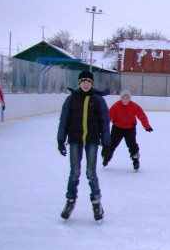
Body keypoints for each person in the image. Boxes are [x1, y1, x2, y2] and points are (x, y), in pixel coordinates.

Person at [57, 71, 111, 222]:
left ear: (92, 84)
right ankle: (70, 201)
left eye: (88, 82)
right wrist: (61, 140)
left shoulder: (98, 100)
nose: (86, 84)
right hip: (75, 140)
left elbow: (104, 124)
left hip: (92, 141)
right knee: (74, 173)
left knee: (91, 173)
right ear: (79, 83)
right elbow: (64, 121)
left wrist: (106, 144)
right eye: (83, 82)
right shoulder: (71, 99)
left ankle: (96, 202)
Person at [102, 89, 153, 171]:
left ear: (130, 98)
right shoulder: (116, 106)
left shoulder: (134, 106)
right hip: (117, 128)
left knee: (132, 145)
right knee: (112, 144)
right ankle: (107, 158)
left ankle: (135, 160)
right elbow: (108, 117)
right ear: (121, 98)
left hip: (130, 129)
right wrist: (102, 128)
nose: (125, 100)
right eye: (123, 98)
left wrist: (147, 126)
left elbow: (142, 116)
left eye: (127, 98)